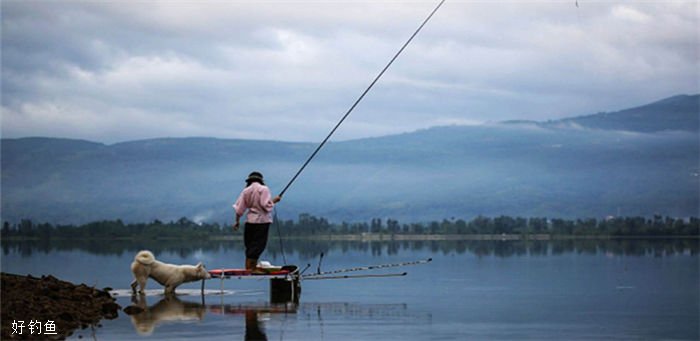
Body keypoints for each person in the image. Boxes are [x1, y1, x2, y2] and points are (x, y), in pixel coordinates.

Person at [233, 171, 281, 273]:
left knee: (249, 245)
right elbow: (265, 205)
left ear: (249, 181)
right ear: (261, 180)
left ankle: (249, 267)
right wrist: (274, 201)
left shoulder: (246, 191)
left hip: (250, 221)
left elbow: (239, 209)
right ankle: (252, 268)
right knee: (258, 245)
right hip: (262, 222)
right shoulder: (264, 189)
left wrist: (237, 221)